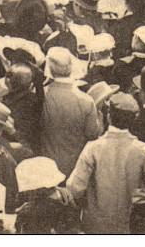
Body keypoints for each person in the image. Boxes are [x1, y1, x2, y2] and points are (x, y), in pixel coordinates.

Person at [66, 92, 145, 234]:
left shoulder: (93, 147)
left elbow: (74, 188)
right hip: (129, 227)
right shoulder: (142, 149)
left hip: (96, 227)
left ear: (109, 117)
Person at [40, 47, 102, 177]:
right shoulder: (86, 100)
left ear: (49, 68)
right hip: (77, 167)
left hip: (47, 165)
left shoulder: (41, 96)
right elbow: (92, 135)